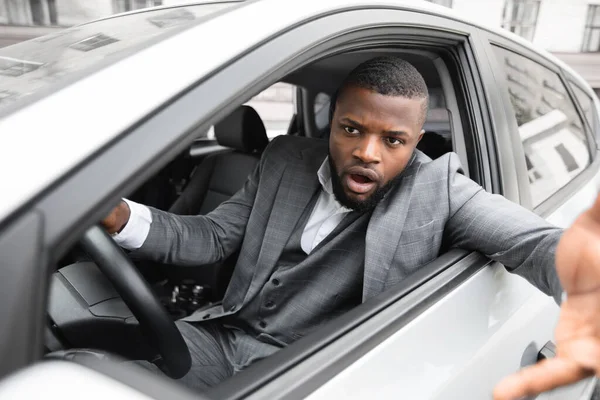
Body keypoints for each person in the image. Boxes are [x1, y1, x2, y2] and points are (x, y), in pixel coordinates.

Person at [102, 56, 600, 399]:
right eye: (352, 129)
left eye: (394, 139)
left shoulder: (439, 190)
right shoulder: (283, 160)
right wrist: (118, 214)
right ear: (331, 122)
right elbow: (208, 237)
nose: (367, 152)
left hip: (317, 373)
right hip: (224, 337)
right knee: (92, 374)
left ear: (417, 143)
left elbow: (539, 244)